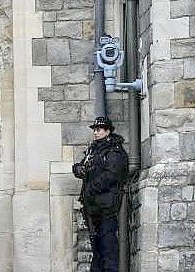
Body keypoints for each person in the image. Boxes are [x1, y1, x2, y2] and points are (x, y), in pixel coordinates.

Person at [72, 116, 129, 272]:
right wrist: (78, 169)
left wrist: (91, 188)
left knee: (108, 247)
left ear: (107, 131)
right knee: (97, 247)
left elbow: (112, 175)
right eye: (95, 130)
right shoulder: (94, 149)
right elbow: (82, 165)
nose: (95, 133)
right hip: (93, 206)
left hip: (106, 206)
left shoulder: (114, 150)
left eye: (99, 130)